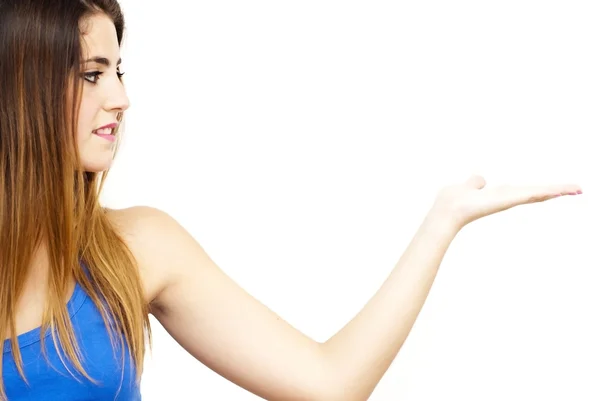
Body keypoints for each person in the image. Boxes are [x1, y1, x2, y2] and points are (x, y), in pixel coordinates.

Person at [0, 0, 582, 400]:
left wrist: (441, 223)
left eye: (119, 70)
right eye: (93, 74)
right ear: (24, 87)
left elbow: (329, 384)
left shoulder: (138, 247)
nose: (122, 97)